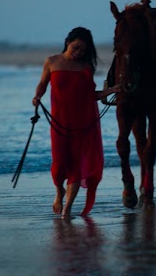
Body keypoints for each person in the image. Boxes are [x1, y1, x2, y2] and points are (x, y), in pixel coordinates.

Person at [32, 27, 120, 220]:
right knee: (59, 165)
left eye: (83, 50)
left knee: (77, 167)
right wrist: (37, 96)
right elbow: (42, 83)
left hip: (83, 124)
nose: (78, 52)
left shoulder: (86, 67)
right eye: (76, 47)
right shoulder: (52, 61)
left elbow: (91, 96)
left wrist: (111, 90)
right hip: (59, 123)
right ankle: (59, 192)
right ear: (68, 42)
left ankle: (67, 210)